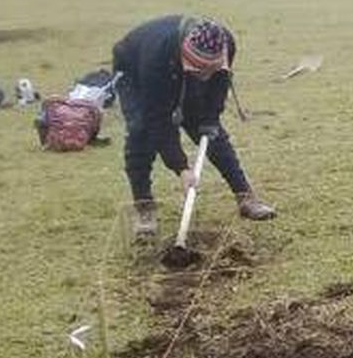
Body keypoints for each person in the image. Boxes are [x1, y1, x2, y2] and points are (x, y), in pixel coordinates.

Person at [111, 14, 276, 238]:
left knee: (211, 132)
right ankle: (144, 208)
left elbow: (219, 85)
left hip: (182, 69)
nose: (205, 76)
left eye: (210, 70)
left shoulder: (226, 42)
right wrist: (181, 168)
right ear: (185, 56)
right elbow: (158, 119)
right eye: (199, 71)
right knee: (141, 131)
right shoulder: (157, 57)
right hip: (134, 69)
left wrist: (209, 118)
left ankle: (245, 196)